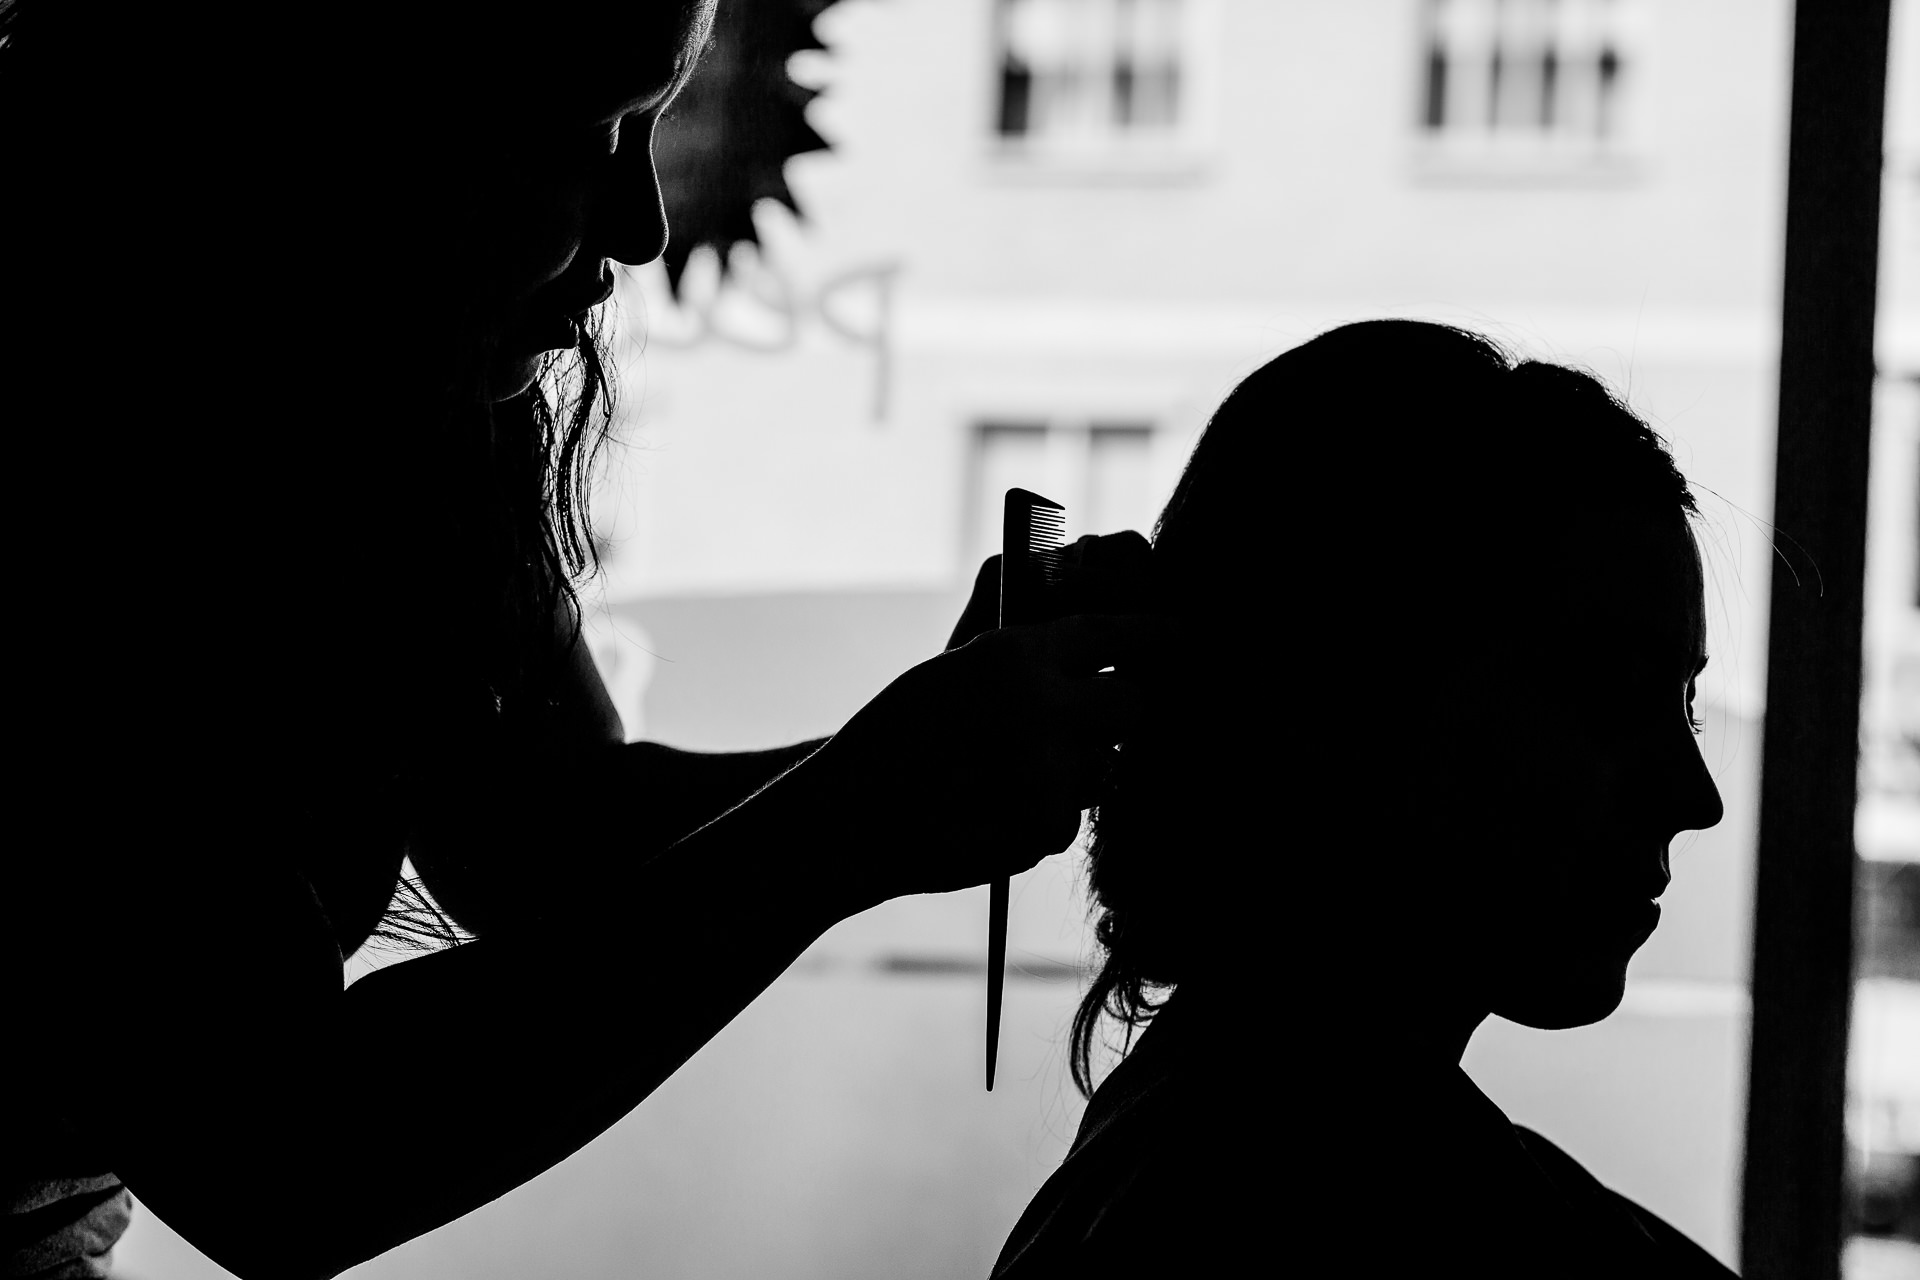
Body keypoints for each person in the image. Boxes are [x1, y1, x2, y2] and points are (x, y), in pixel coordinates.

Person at [0, 3, 1152, 1278]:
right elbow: (278, 1156)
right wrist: (864, 806)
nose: (642, 225)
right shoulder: (51, 487)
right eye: (591, 130)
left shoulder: (421, 403)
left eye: (651, 122)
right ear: (356, 134)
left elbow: (544, 830)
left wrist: (924, 741)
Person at [990, 320, 1737, 1278]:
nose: (1694, 794)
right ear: (1343, 696)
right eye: (1609, 693)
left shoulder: (1215, 1149)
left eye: (1686, 706)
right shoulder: (1341, 1202)